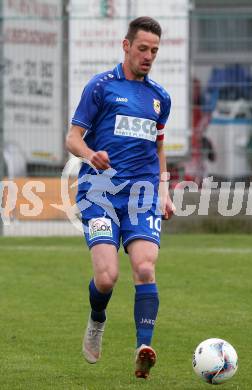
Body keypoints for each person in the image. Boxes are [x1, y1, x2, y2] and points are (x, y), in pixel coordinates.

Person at [65, 16, 175, 379]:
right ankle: (97, 319)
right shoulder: (101, 87)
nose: (148, 56)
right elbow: (73, 138)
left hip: (141, 194)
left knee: (145, 267)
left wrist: (164, 190)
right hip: (99, 192)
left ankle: (144, 346)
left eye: (154, 51)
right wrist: (89, 154)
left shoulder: (160, 98)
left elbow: (159, 148)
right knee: (108, 277)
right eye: (142, 48)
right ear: (126, 46)